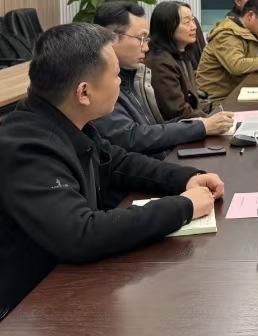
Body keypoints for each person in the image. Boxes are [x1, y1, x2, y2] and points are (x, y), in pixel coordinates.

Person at [0, 23, 224, 319]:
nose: (120, 84)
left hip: (70, 286)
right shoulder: (28, 148)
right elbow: (81, 234)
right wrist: (183, 207)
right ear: (84, 92)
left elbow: (117, 162)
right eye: (116, 75)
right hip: (30, 311)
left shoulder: (66, 121)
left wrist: (185, 178)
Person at [93, 2, 234, 158]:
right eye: (141, 39)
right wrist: (201, 126)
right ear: (110, 38)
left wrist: (200, 124)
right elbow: (132, 138)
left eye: (146, 39)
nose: (146, 47)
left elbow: (151, 127)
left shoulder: (130, 75)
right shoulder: (98, 83)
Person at [145, 1, 208, 120]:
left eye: (193, 20)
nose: (194, 27)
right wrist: (210, 120)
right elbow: (178, 111)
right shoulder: (160, 63)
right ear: (168, 27)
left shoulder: (182, 53)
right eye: (187, 22)